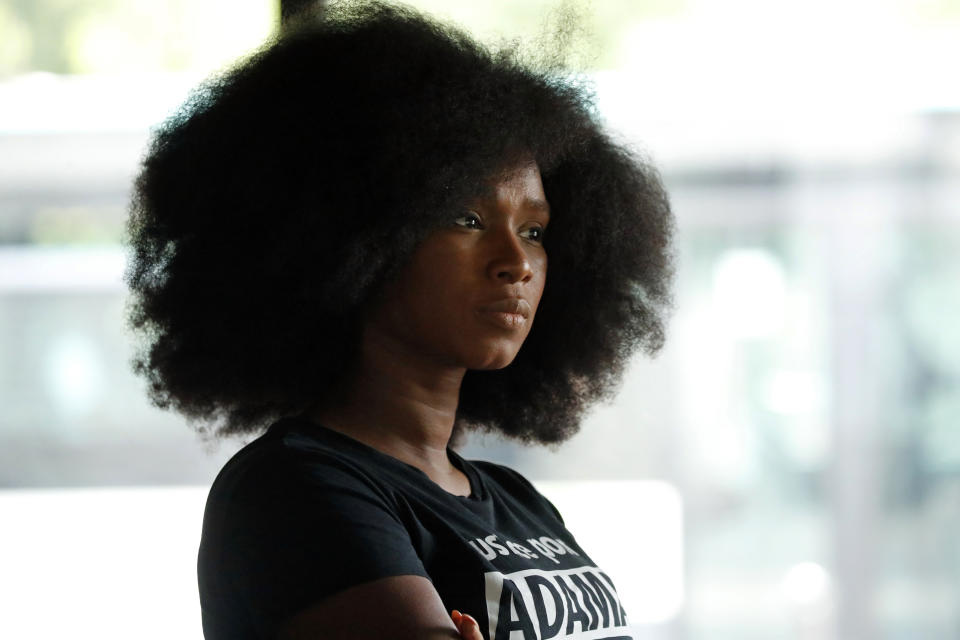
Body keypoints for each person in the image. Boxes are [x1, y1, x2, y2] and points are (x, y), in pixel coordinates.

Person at [124, 1, 674, 639]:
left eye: (534, 230)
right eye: (467, 219)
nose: (516, 262)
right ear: (359, 239)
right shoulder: (297, 489)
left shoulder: (517, 501)